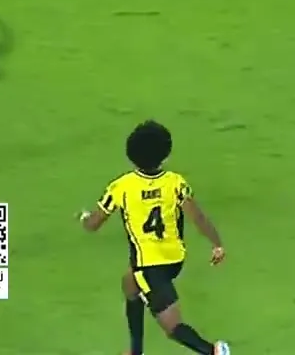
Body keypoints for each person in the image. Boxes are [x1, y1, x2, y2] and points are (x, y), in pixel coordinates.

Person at [80, 121, 230, 355]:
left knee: (171, 326)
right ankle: (135, 351)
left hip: (149, 266)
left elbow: (94, 224)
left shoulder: (121, 187)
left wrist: (85, 219)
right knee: (129, 284)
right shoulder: (175, 183)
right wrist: (217, 244)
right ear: (165, 154)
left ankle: (213, 351)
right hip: (175, 258)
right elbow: (198, 217)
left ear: (131, 155)